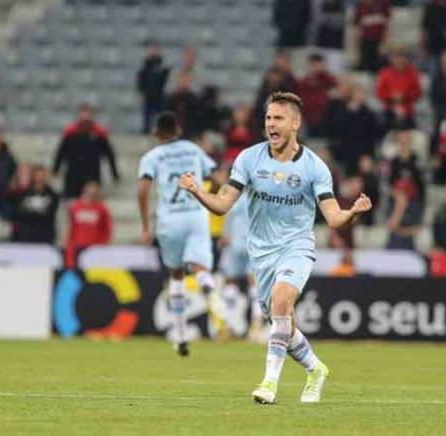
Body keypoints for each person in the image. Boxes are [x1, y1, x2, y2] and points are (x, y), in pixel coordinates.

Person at [178, 92, 372, 404]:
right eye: (268, 118)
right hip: (261, 255)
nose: (271, 124)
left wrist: (352, 213)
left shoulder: (314, 167)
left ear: (295, 123)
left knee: (282, 301)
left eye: (278, 118)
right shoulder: (248, 159)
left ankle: (269, 383)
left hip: (297, 247)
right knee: (283, 322)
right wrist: (197, 192)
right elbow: (223, 204)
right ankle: (316, 370)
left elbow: (334, 218)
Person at [137, 112, 218, 358]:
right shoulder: (194, 150)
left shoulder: (152, 156)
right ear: (178, 130)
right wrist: (208, 197)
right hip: (195, 214)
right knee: (199, 265)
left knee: (176, 274)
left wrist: (144, 226)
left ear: (156, 133)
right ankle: (207, 283)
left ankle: (181, 335)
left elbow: (142, 190)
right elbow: (216, 179)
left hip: (168, 219)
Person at [218, 196, 263, 341]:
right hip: (254, 244)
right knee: (254, 283)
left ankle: (229, 324)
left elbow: (228, 218)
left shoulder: (233, 196)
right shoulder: (262, 197)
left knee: (231, 281)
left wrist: (224, 236)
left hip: (236, 242)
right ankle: (256, 324)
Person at [53, 103, 120, 199]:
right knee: (71, 202)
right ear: (79, 115)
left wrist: (114, 173)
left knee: (91, 202)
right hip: (73, 174)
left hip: (92, 175)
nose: (86, 117)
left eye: (88, 114)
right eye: (83, 114)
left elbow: (110, 154)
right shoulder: (70, 132)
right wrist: (55, 170)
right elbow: (60, 152)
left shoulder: (99, 133)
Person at [65, 181, 113, 269]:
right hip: (77, 246)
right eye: (90, 191)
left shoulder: (102, 209)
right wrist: (70, 246)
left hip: (94, 248)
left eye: (94, 192)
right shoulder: (75, 207)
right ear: (85, 191)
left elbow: (106, 229)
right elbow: (72, 228)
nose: (92, 194)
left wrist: (101, 246)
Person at [7, 165, 59, 243]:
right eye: (38, 175)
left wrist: (30, 213)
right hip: (24, 235)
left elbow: (50, 216)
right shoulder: (21, 194)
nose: (40, 178)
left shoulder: (53, 195)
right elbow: (17, 213)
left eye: (42, 175)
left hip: (45, 236)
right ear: (33, 176)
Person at [136, 41, 170, 133]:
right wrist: (142, 91)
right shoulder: (145, 67)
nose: (152, 51)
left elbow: (165, 81)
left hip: (159, 96)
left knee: (160, 117)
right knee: (147, 118)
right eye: (150, 49)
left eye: (154, 49)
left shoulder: (162, 67)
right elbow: (141, 81)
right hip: (148, 96)